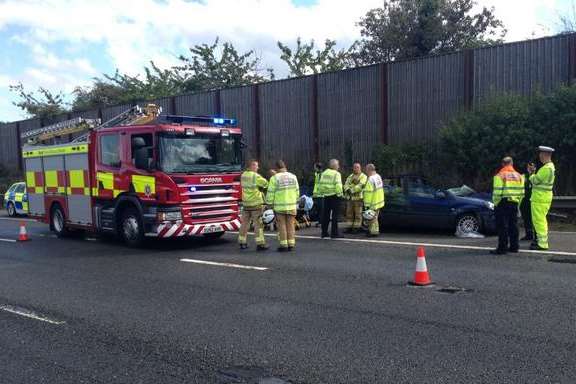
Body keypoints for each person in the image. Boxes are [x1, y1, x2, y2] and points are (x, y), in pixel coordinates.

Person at [490, 157, 525, 255]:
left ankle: (502, 248)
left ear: (502, 164)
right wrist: (518, 203)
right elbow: (522, 193)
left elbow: (497, 192)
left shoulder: (500, 175)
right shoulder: (519, 176)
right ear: (512, 163)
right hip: (514, 203)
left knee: (502, 226)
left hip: (502, 203)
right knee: (513, 225)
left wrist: (496, 203)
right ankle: (514, 247)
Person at [266, 160, 300, 252]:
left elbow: (270, 193)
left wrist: (269, 204)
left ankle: (284, 245)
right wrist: (295, 202)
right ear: (285, 166)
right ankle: (291, 244)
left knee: (282, 226)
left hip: (280, 207)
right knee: (291, 225)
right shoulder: (293, 176)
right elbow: (297, 192)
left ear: (276, 168)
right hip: (292, 206)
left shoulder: (275, 178)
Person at [238, 160, 269, 251]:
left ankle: (242, 242)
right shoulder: (255, 176)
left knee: (244, 224)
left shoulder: (243, 175)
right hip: (256, 204)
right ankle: (260, 244)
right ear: (251, 166)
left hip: (246, 204)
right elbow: (266, 183)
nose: (258, 168)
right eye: (256, 166)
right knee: (258, 224)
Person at [529, 146, 556, 250]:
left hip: (540, 198)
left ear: (546, 155)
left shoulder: (546, 168)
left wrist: (531, 173)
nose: (540, 157)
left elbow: (535, 181)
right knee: (541, 221)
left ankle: (542, 244)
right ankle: (541, 242)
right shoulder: (550, 167)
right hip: (543, 197)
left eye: (541, 155)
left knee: (539, 221)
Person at [318, 159, 343, 238]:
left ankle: (324, 232)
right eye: (338, 165)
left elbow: (320, 185)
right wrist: (340, 195)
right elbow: (338, 186)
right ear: (334, 166)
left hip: (326, 196)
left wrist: (323, 193)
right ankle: (334, 233)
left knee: (325, 215)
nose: (338, 166)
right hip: (335, 196)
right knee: (335, 215)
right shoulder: (336, 174)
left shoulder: (324, 173)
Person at [343, 162, 367, 234]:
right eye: (354, 167)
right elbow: (345, 184)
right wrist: (347, 189)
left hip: (358, 199)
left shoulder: (363, 176)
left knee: (358, 214)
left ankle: (357, 228)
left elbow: (361, 185)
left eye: (357, 167)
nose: (355, 169)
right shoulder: (350, 176)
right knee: (349, 213)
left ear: (360, 168)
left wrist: (351, 190)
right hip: (350, 199)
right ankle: (349, 227)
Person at [363, 164, 385, 237]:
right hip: (379, 201)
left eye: (366, 170)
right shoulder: (378, 176)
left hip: (373, 202)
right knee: (375, 218)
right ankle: (375, 231)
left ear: (369, 170)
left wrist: (367, 205)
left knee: (371, 218)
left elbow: (368, 193)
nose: (366, 172)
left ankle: (371, 232)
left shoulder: (370, 179)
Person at [520, 162, 535, 241]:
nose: (530, 168)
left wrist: (531, 174)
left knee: (535, 219)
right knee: (526, 219)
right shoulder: (523, 176)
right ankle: (528, 234)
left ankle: (536, 235)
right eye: (529, 167)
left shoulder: (537, 176)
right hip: (525, 201)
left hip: (534, 200)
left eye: (532, 166)